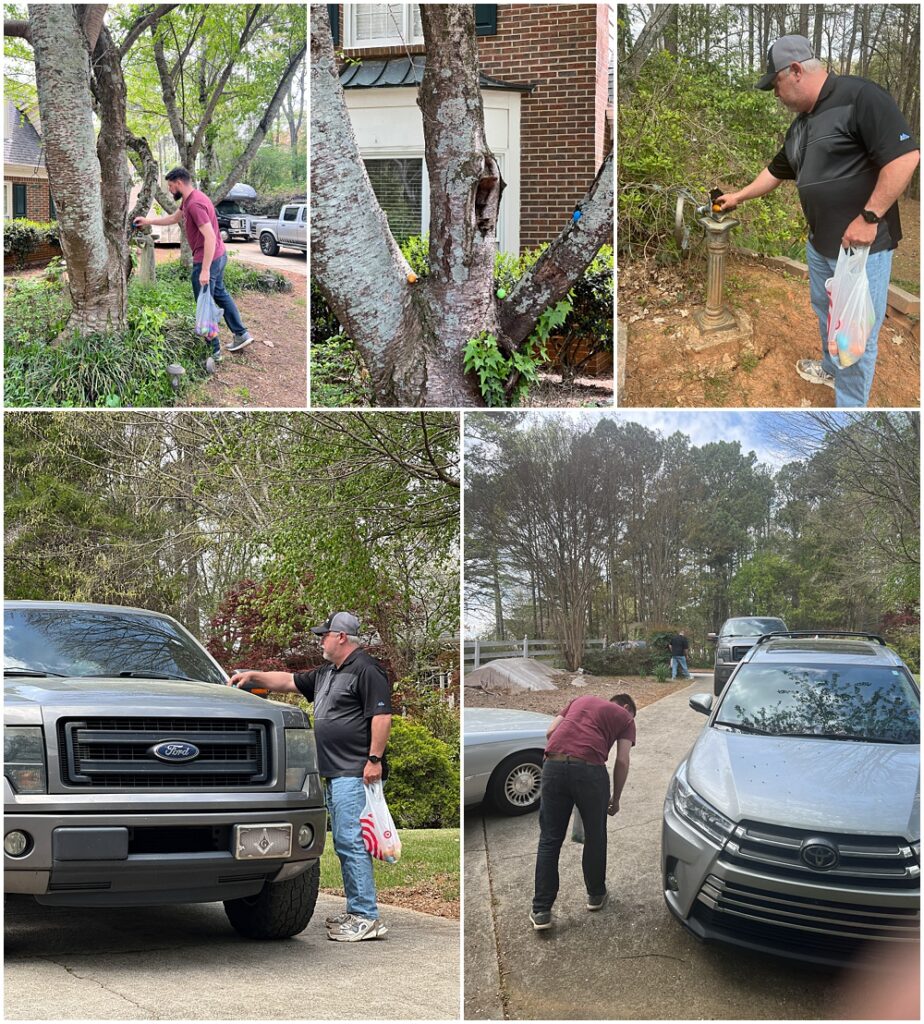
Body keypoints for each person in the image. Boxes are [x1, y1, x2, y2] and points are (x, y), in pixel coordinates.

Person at [715, 35, 919, 407]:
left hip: (862, 250)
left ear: (794, 71)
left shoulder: (860, 97)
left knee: (854, 337)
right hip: (820, 246)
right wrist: (737, 196)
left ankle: (849, 409)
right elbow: (775, 172)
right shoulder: (800, 127)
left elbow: (905, 157)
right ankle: (829, 367)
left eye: (774, 84)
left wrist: (869, 218)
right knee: (826, 312)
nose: (774, 94)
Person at [229, 612, 393, 942]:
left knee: (350, 841)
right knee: (345, 842)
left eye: (325, 635)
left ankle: (366, 916)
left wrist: (373, 760)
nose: (321, 640)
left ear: (342, 637)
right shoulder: (327, 674)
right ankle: (357, 910)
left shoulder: (366, 669)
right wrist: (252, 677)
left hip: (355, 772)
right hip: (334, 773)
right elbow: (287, 681)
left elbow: (382, 716)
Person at [530, 692, 636, 931]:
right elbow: (622, 760)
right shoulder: (626, 718)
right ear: (627, 707)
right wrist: (615, 798)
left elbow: (550, 733)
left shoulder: (580, 700)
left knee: (549, 839)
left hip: (553, 766)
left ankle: (542, 910)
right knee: (595, 837)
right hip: (590, 772)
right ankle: (595, 896)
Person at [133, 167, 254, 363]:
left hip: (208, 259)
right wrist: (149, 220)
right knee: (220, 295)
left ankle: (213, 351)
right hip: (219, 256)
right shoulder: (191, 199)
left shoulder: (195, 204)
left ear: (179, 183)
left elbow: (210, 237)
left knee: (204, 304)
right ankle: (241, 334)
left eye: (171, 186)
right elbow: (174, 218)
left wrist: (205, 270)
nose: (170, 191)